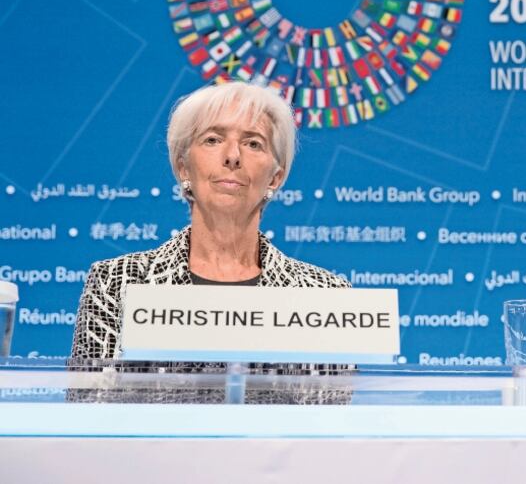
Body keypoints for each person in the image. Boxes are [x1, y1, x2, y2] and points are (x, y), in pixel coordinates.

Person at [71, 81, 350, 361]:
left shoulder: (326, 295)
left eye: (253, 143)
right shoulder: (115, 284)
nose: (232, 157)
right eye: (213, 140)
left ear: (275, 179)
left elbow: (329, 402)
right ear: (183, 168)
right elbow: (91, 401)